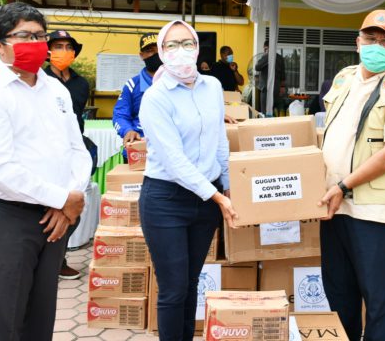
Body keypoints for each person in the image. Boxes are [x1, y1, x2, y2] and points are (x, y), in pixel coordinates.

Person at [0, 2, 91, 341]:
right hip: (7, 217)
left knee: (40, 317)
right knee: (8, 320)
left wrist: (70, 199)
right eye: (24, 36)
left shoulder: (55, 90)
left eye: (40, 36)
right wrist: (63, 198)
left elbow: (77, 149)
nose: (36, 43)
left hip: (55, 216)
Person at [318, 9, 385, 341]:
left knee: (377, 300)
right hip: (333, 206)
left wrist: (344, 184)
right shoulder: (344, 78)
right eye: (371, 38)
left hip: (374, 211)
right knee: (339, 294)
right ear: (358, 42)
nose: (377, 45)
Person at [138, 20, 237, 341]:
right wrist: (219, 197)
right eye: (171, 45)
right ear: (161, 52)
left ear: (197, 47)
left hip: (206, 200)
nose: (180, 51)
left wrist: (230, 185)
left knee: (191, 282)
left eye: (186, 43)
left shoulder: (211, 87)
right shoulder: (155, 97)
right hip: (167, 199)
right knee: (173, 288)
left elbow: (219, 141)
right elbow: (174, 159)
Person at [44, 30, 91, 280]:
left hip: (74, 150)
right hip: (47, 152)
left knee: (74, 207)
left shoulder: (81, 83)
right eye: (58, 45)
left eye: (68, 46)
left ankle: (57, 255)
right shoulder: (39, 80)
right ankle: (47, 259)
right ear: (48, 51)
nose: (63, 50)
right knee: (47, 207)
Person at [113, 32, 160, 157]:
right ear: (141, 55)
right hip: (139, 150)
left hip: (171, 151)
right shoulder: (132, 85)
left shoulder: (178, 83)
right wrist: (128, 131)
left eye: (159, 49)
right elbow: (120, 115)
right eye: (150, 51)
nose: (156, 54)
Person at [254, 41, 285, 115]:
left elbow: (257, 67)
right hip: (276, 89)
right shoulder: (280, 58)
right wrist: (282, 87)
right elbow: (283, 75)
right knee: (275, 112)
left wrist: (267, 56)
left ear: (268, 48)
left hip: (267, 90)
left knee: (265, 112)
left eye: (265, 49)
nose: (264, 50)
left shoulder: (267, 57)